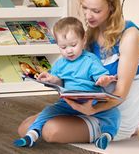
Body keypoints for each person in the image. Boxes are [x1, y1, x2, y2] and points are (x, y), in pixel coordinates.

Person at [17, 0, 139, 144]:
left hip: (113, 115)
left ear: (112, 7)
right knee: (25, 126)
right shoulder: (89, 35)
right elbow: (76, 77)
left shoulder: (130, 36)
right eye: (85, 8)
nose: (88, 16)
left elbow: (120, 93)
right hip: (87, 106)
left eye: (96, 10)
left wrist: (92, 110)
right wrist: (55, 81)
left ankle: (108, 132)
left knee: (50, 131)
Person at [14, 17, 120, 149]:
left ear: (83, 40)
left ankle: (106, 135)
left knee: (113, 113)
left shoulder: (90, 60)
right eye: (63, 47)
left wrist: (104, 79)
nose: (69, 50)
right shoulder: (60, 63)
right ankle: (32, 134)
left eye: (73, 45)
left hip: (91, 103)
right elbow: (58, 80)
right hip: (68, 103)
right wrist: (50, 79)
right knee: (48, 111)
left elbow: (101, 77)